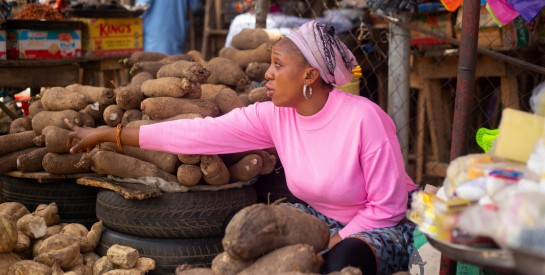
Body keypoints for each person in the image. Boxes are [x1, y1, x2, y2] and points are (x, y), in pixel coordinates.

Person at [66, 20, 419, 274]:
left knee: (342, 262)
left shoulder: (364, 119)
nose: (267, 73)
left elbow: (387, 208)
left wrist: (335, 239)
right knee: (247, 248)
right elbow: (196, 133)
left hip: (380, 227)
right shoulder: (274, 116)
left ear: (310, 76)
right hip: (322, 220)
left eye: (278, 65)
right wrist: (110, 134)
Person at [135, 0, 201, 55]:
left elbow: (140, 6)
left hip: (155, 38)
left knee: (153, 65)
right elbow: (196, 6)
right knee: (175, 66)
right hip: (177, 35)